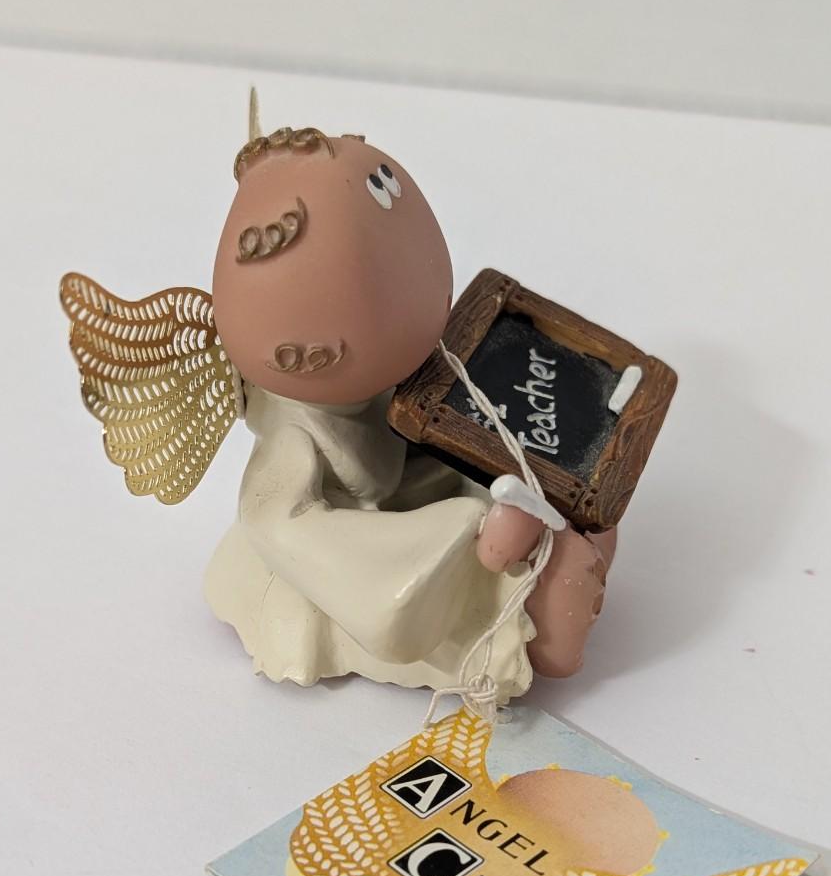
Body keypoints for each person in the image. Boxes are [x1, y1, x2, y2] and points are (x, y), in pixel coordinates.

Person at [205, 127, 615, 696]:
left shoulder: (402, 373)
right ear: (310, 356)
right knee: (471, 554)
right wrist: (463, 531)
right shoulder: (294, 441)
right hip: (369, 541)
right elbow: (280, 524)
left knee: (490, 455)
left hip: (409, 467)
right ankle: (530, 610)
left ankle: (553, 536)